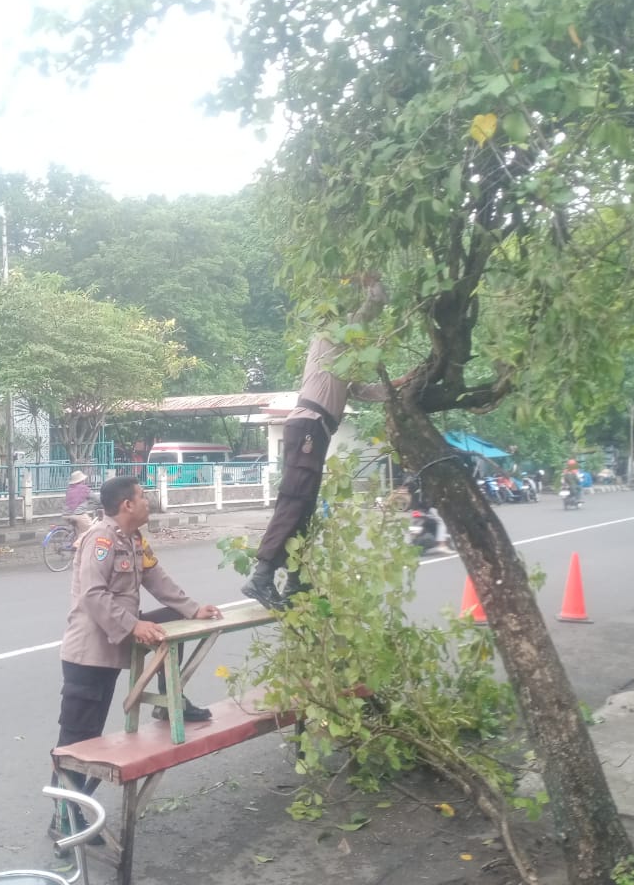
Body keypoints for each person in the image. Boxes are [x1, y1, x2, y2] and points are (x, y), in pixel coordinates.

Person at [51, 475, 222, 843]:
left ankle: (169, 701)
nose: (148, 501)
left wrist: (193, 608)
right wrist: (133, 626)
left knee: (178, 620)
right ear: (127, 505)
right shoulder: (101, 539)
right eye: (143, 496)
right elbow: (94, 596)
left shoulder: (133, 540)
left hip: (111, 647)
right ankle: (64, 818)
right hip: (89, 655)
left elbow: (156, 577)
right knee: (79, 740)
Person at [242, 275, 388, 610]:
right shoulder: (331, 335)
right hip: (309, 427)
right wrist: (370, 277)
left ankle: (297, 580)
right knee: (294, 501)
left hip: (316, 430)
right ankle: (261, 577)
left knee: (304, 507)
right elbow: (376, 301)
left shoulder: (342, 354)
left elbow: (362, 392)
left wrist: (400, 386)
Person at [63, 469, 94, 544]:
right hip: (78, 515)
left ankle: (77, 543)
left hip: (66, 515)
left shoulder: (69, 489)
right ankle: (78, 545)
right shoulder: (85, 489)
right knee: (92, 530)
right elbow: (95, 498)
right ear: (82, 480)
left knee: (79, 531)